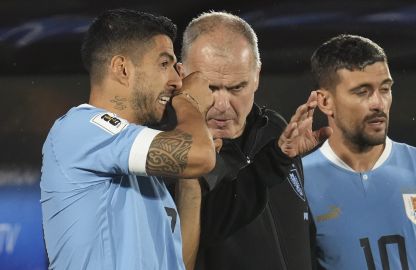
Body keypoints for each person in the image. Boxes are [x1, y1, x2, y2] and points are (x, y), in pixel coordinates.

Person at [40, 9, 216, 270]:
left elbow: (179, 265)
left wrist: (189, 181)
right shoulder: (79, 129)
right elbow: (200, 155)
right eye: (164, 64)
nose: (177, 81)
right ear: (122, 68)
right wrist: (189, 102)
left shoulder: (145, 172)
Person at [303, 34, 416, 270]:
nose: (379, 103)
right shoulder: (299, 183)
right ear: (325, 102)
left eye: (385, 89)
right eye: (362, 92)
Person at [177, 11, 328, 270]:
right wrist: (275, 160)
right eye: (210, 88)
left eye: (237, 87)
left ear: (257, 75)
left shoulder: (275, 129)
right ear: (181, 75)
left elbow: (302, 232)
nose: (222, 105)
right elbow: (207, 229)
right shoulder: (172, 151)